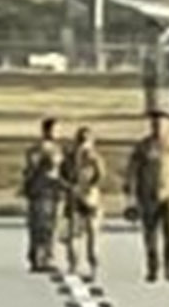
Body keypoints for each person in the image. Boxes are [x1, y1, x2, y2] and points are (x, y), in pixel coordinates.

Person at [123, 110, 169, 283]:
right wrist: (130, 193)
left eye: (162, 123)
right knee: (150, 234)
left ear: (168, 125)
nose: (158, 127)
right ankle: (153, 268)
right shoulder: (143, 146)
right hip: (148, 195)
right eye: (155, 124)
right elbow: (132, 170)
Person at [19, 117, 66, 272]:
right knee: (40, 226)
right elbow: (31, 169)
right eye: (54, 129)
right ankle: (38, 258)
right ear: (46, 131)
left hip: (55, 192)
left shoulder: (59, 149)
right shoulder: (37, 149)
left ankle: (48, 257)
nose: (57, 133)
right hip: (41, 191)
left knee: (53, 227)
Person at [59, 125, 105, 279]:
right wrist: (69, 187)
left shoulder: (94, 158)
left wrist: (89, 187)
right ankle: (73, 264)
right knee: (72, 233)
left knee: (92, 233)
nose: (82, 143)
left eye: (86, 140)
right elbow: (62, 175)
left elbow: (100, 176)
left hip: (90, 198)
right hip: (73, 197)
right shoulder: (69, 158)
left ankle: (93, 266)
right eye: (80, 140)